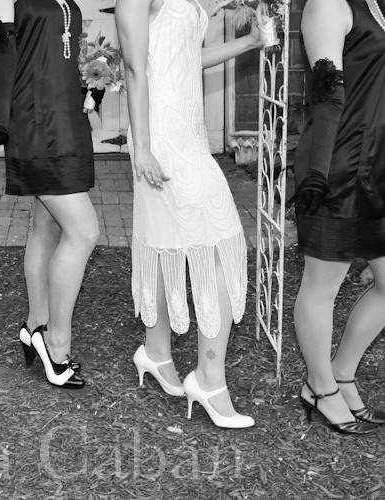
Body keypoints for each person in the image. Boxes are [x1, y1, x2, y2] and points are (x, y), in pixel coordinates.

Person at [116, 0, 264, 428]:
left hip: (189, 129)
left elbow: (185, 57)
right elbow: (135, 68)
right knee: (220, 240)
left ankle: (156, 351)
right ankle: (209, 380)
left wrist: (250, 41)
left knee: (167, 236)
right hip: (160, 135)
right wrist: (143, 147)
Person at [0, 0, 97, 389]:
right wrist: (3, 124)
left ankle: (36, 323)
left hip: (68, 115)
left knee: (48, 226)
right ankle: (56, 343)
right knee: (84, 232)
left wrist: (95, 81)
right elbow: (5, 56)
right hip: (37, 122)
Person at [289, 0, 385, 435]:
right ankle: (320, 386)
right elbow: (328, 94)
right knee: (323, 283)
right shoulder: (329, 4)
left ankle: (342, 373)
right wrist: (316, 175)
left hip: (379, 162)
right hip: (339, 163)